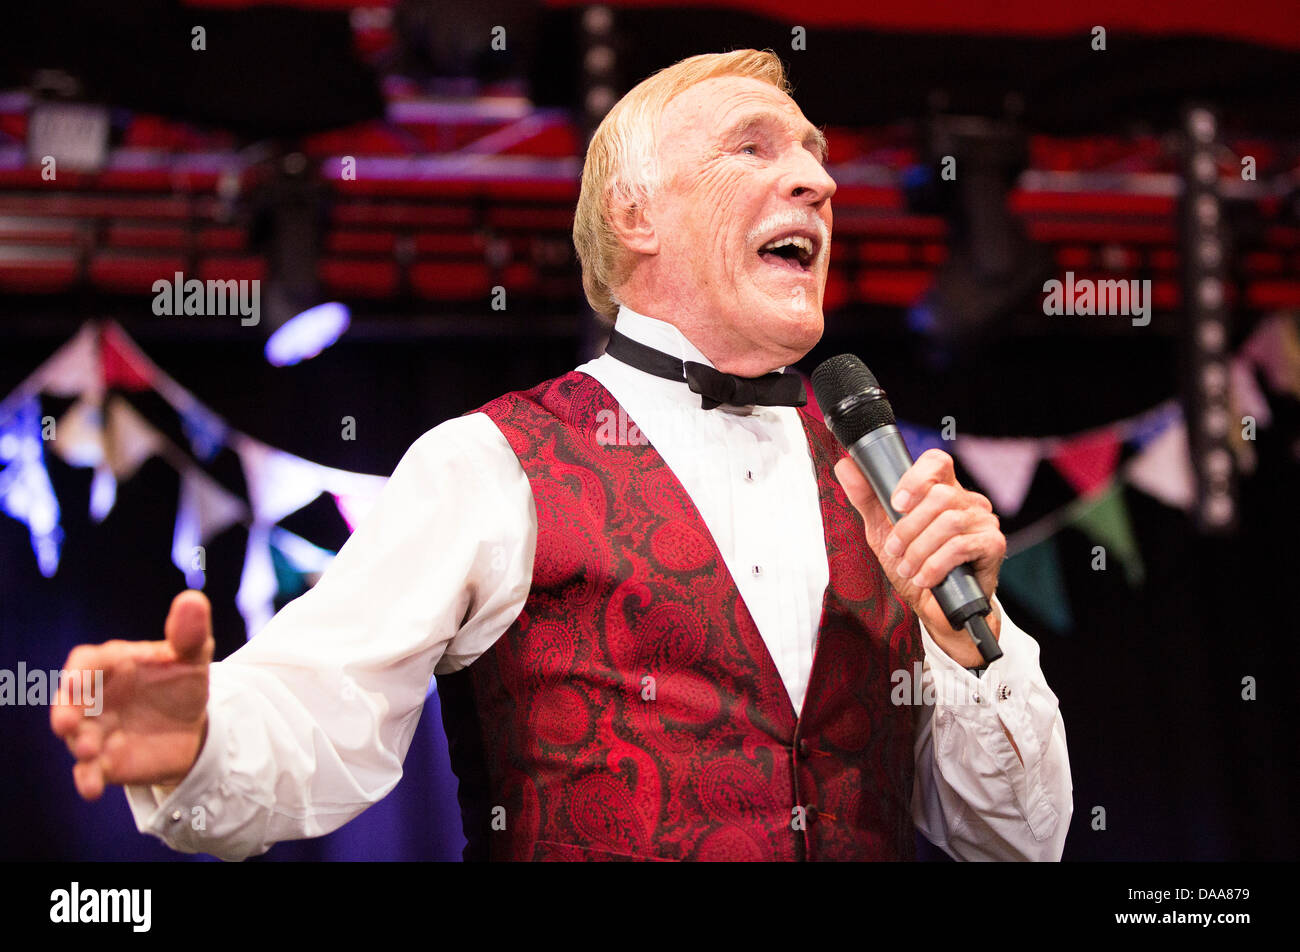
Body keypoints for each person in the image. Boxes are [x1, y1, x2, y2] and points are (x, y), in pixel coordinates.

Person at [52, 49, 1072, 861]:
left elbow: (1019, 841)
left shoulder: (879, 486)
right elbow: (318, 713)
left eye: (812, 155)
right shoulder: (490, 462)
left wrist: (964, 646)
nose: (814, 179)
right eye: (755, 149)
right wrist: (194, 742)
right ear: (636, 215)